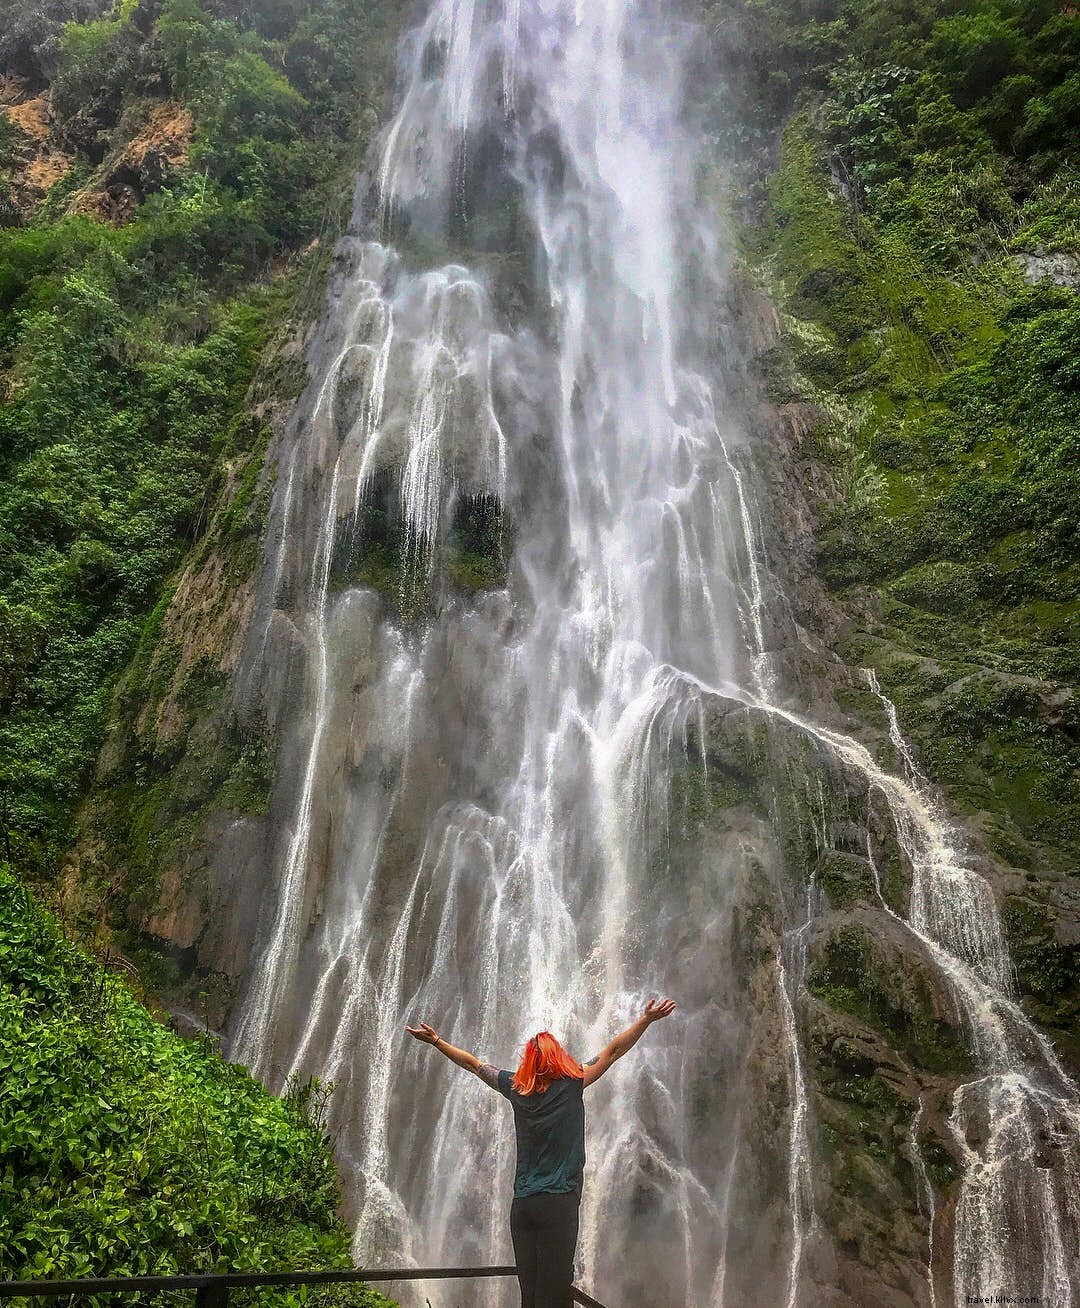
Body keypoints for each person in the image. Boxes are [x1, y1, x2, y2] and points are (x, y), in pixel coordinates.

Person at [406, 998, 676, 1308]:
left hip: (523, 1206)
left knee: (530, 1295)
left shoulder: (515, 1087)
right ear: (558, 1057)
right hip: (558, 1203)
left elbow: (474, 1065)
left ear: (528, 1062)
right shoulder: (573, 1082)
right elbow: (613, 1051)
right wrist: (645, 1020)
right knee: (554, 1294)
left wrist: (437, 1041)